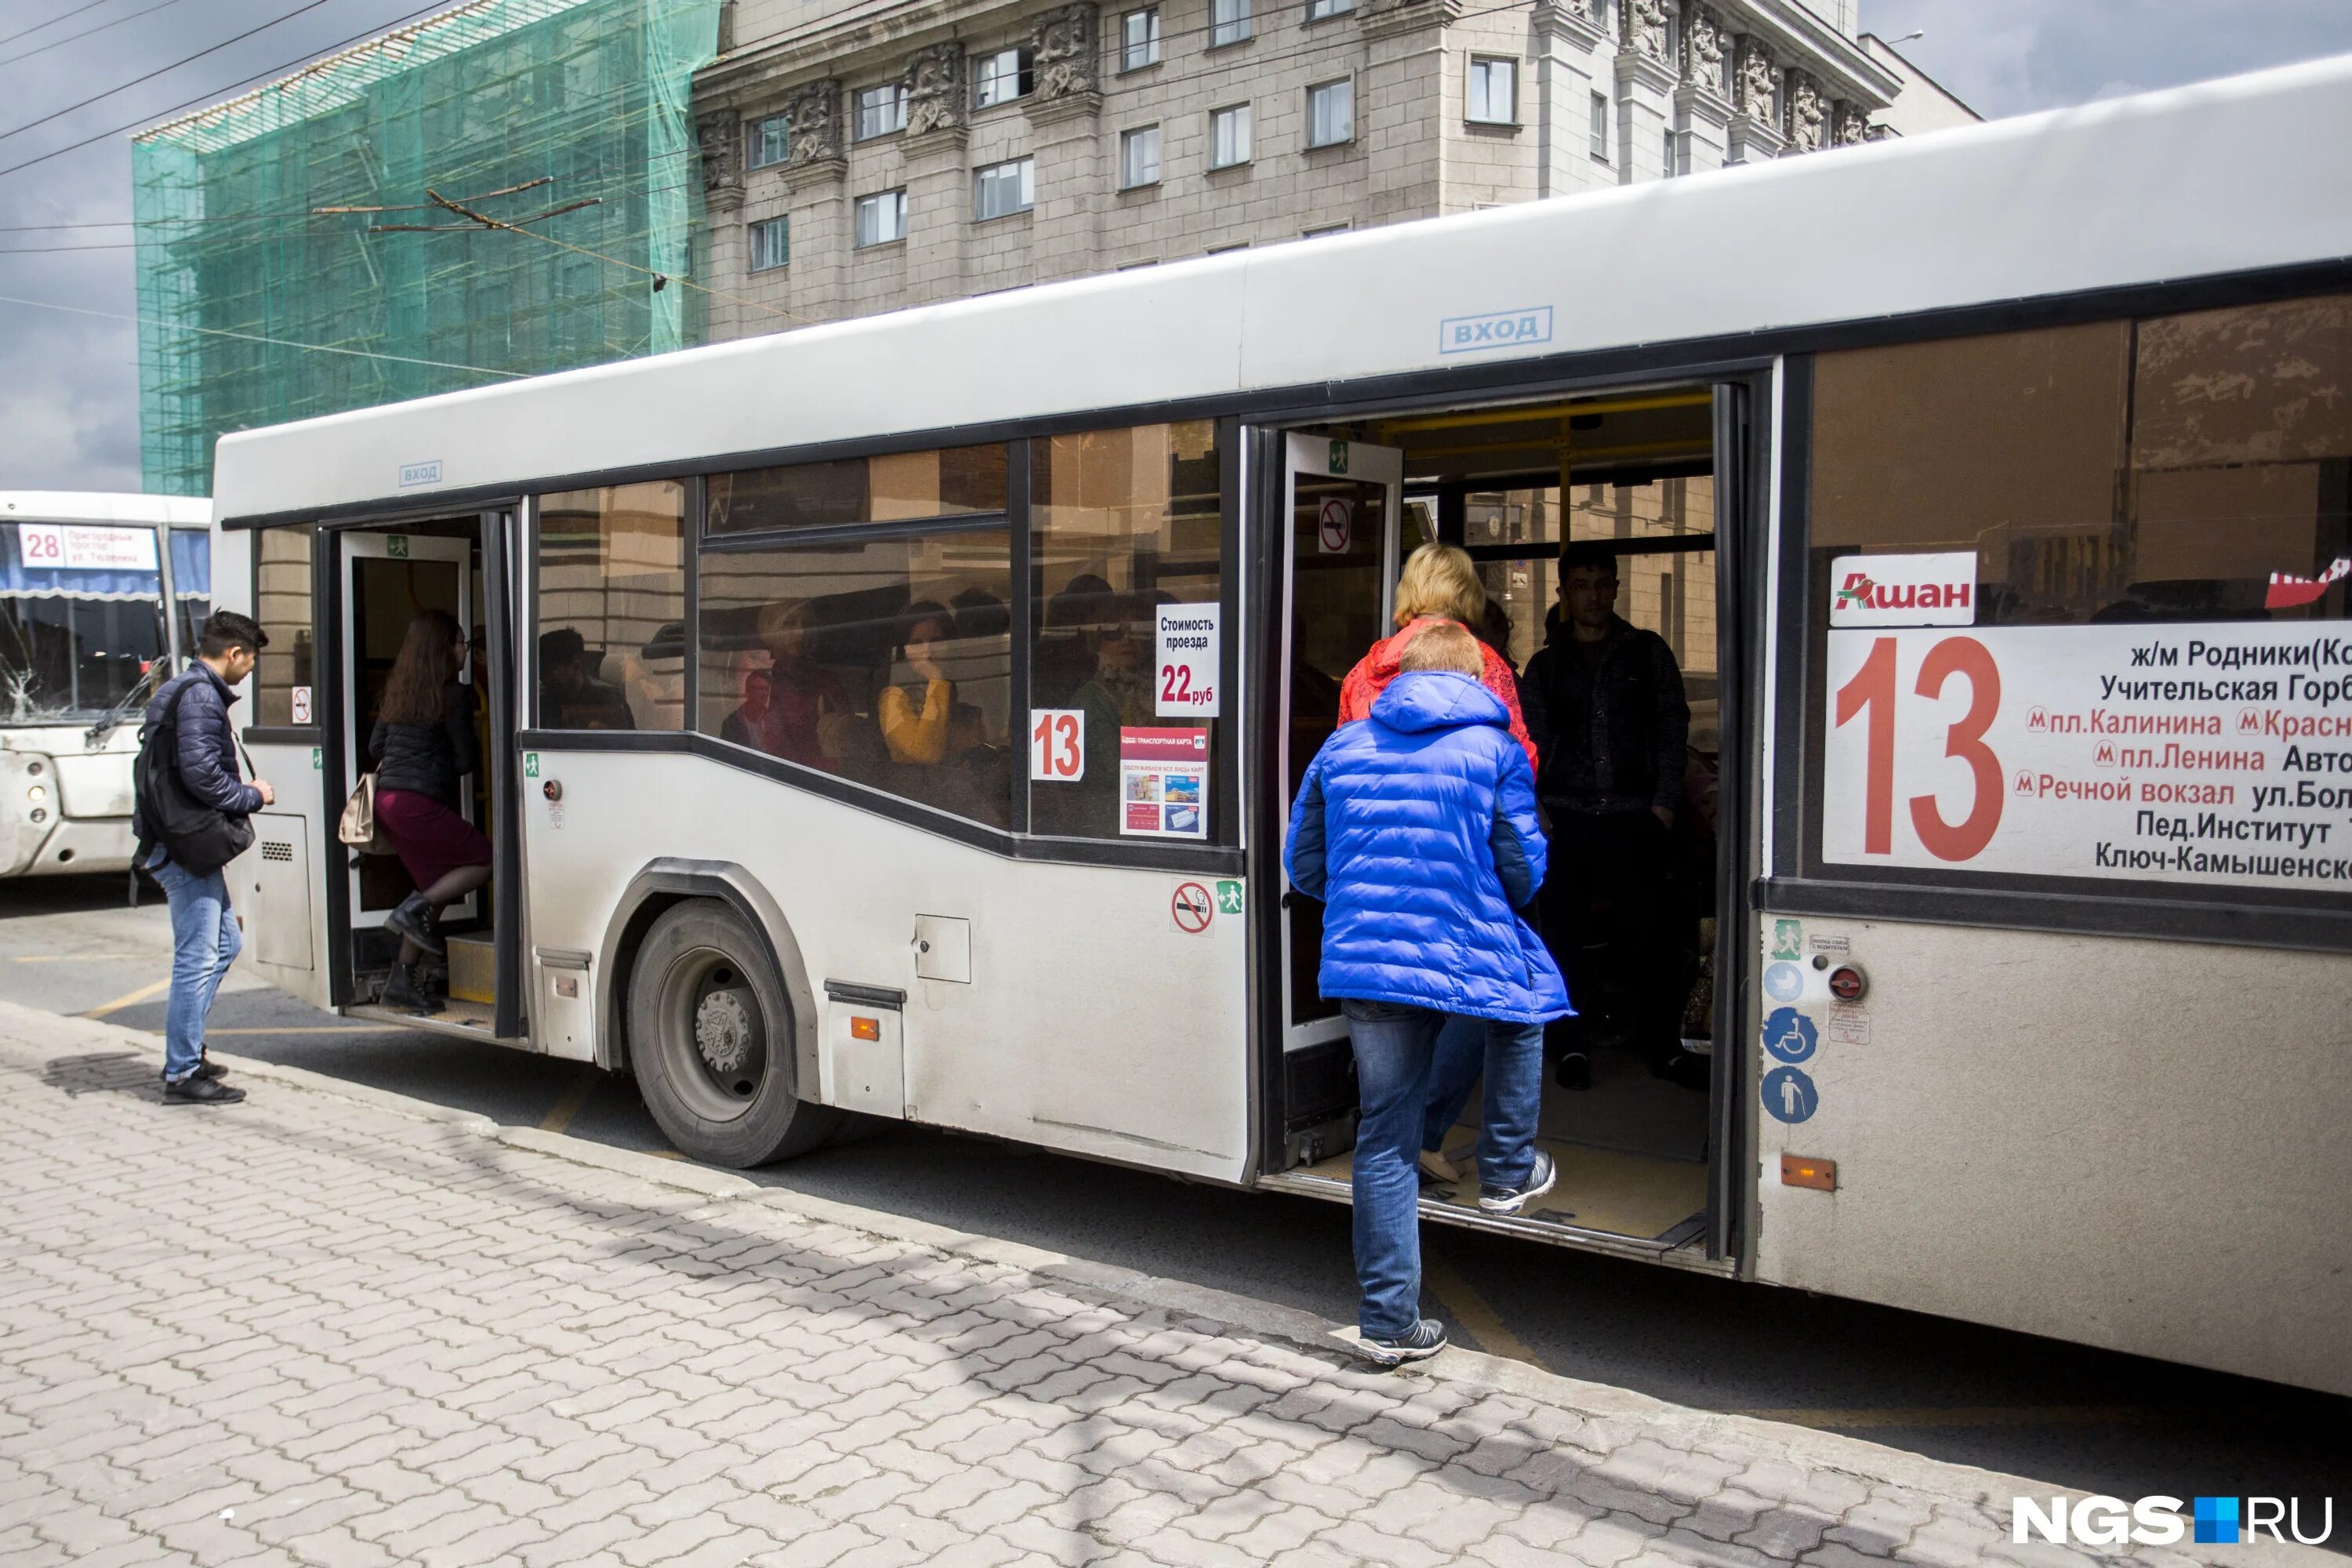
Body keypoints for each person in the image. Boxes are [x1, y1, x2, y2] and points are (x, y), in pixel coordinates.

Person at [1285, 622, 1570, 1367]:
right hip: (1460, 945)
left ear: (1399, 677)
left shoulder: (1341, 747)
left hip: (1365, 962)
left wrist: (1359, 903)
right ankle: (1507, 1173)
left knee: (1385, 1138)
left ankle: (1388, 1325)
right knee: (1528, 999)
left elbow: (1304, 864)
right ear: (1477, 679)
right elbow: (1522, 870)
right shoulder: (1497, 750)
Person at [1520, 542, 1695, 1090]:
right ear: (1564, 593)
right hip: (1566, 819)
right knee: (1563, 939)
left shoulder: (1647, 652)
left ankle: (1663, 1046)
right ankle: (1570, 1045)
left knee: (1650, 935)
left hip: (1633, 815)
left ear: (1616, 588)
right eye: (1582, 585)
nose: (1593, 596)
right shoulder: (1546, 666)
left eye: (1602, 584)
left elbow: (1673, 729)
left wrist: (1665, 804)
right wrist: (1539, 812)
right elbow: (1528, 744)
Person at [137, 611, 275, 1105]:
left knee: (224, 944)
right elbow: (201, 776)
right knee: (199, 956)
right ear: (234, 653)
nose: (251, 670)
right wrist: (252, 795)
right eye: (252, 660)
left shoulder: (186, 689)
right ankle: (182, 1072)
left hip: (177, 843)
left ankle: (189, 1047)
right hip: (180, 848)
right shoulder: (199, 695)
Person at [371, 610, 493, 1011]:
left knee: (435, 887)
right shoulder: (454, 694)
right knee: (483, 859)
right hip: (416, 803)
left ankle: (400, 983)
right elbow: (463, 762)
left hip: (388, 802)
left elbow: (376, 748)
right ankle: (410, 910)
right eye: (462, 642)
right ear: (444, 649)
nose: (464, 650)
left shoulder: (400, 691)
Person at [1338, 543, 1534, 770]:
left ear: (1407, 590)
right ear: (1469, 593)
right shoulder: (1484, 662)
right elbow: (1518, 755)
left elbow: (1342, 752)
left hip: (1372, 801)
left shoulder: (1363, 670)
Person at [539, 626, 634, 730]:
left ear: (576, 666)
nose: (543, 677)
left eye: (553, 671)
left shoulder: (610, 701)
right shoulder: (541, 705)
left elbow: (630, 742)